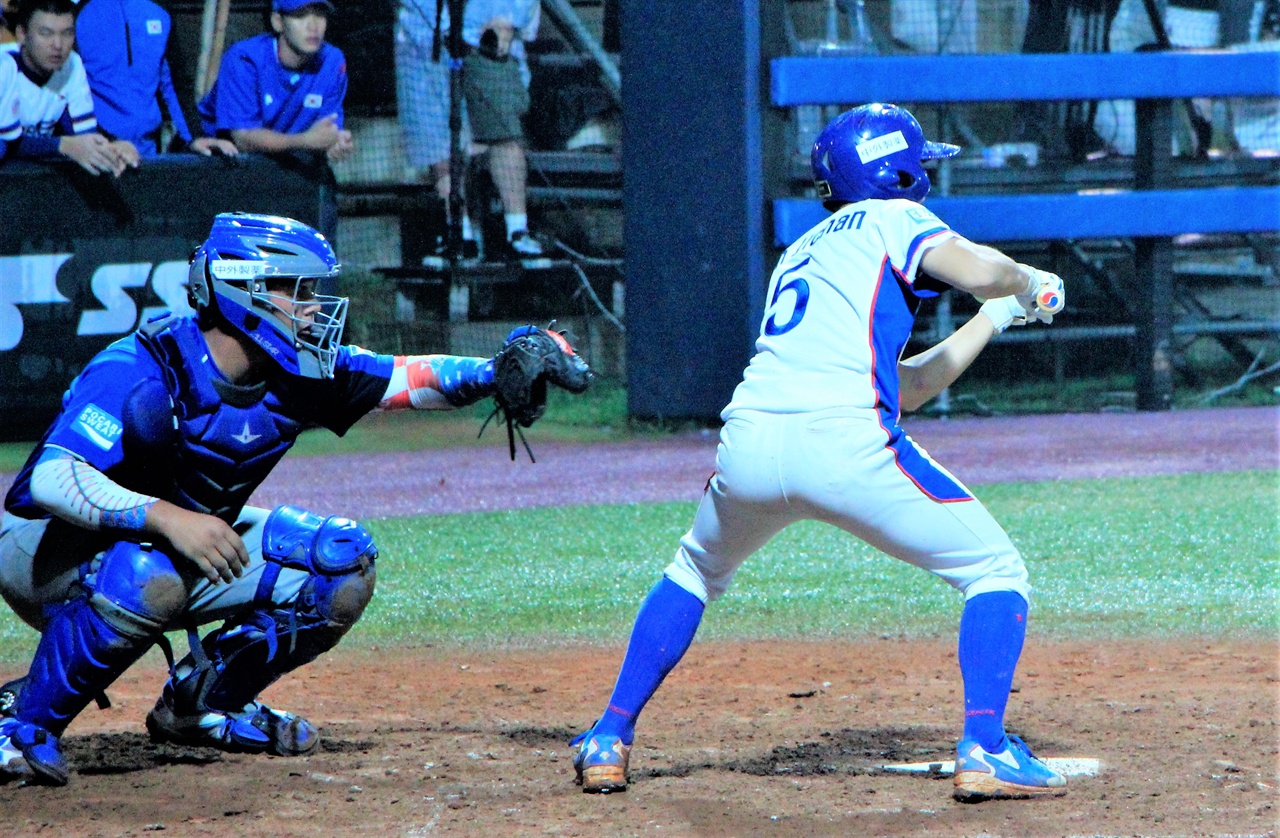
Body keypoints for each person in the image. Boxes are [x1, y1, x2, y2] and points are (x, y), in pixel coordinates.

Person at [570, 103, 1070, 804]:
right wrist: (1021, 282)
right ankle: (985, 747)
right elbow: (982, 269)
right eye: (919, 165)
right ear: (895, 172)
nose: (924, 176)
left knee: (694, 569)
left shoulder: (801, 253)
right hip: (844, 444)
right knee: (995, 571)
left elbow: (913, 385)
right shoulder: (894, 217)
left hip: (748, 445)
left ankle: (608, 735)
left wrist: (998, 317)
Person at [0, 212, 591, 786]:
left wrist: (496, 371)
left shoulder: (299, 369)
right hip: (51, 555)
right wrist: (167, 518)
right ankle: (20, 725)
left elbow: (406, 379)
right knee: (150, 571)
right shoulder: (143, 367)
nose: (313, 307)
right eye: (296, 290)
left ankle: (201, 707)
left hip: (175, 547)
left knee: (339, 561)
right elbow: (50, 479)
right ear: (244, 292)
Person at [395, 0, 544, 258]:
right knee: (437, 137)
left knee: (503, 132)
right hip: (424, 37)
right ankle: (458, 232)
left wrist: (511, 18)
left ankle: (517, 231)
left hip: (490, 34)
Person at [197, 0, 354, 163]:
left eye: (320, 15)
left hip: (288, 162)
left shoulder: (332, 61)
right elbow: (243, 139)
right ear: (277, 22)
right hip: (216, 159)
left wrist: (334, 143)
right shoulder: (245, 59)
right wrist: (306, 141)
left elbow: (327, 129)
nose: (313, 26)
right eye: (300, 16)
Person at [75, 0, 237, 158]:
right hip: (97, 152)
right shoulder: (80, 12)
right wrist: (103, 141)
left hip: (148, 152)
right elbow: (69, 89)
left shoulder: (159, 10)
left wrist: (195, 136)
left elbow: (175, 82)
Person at [5, 0, 139, 177]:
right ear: (22, 34)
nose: (58, 45)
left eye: (67, 33)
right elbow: (4, 144)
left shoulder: (72, 65)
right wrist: (63, 145)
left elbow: (83, 134)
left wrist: (114, 146)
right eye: (46, 33)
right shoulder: (4, 67)